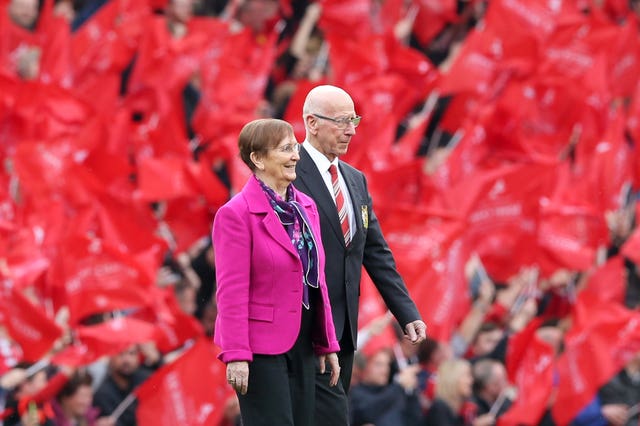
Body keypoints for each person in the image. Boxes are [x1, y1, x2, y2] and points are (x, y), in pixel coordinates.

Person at [293, 84, 427, 425]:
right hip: (301, 326)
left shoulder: (355, 180)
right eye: (341, 121)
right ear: (312, 122)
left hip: (344, 330)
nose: (351, 129)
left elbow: (376, 252)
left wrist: (405, 311)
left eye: (353, 119)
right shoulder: (289, 172)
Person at [212, 118, 340, 426]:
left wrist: (327, 342)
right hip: (261, 349)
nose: (296, 155)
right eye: (286, 149)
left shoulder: (306, 207)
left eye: (295, 147)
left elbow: (317, 281)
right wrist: (236, 353)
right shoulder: (235, 214)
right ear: (257, 158)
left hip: (304, 343)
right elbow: (231, 291)